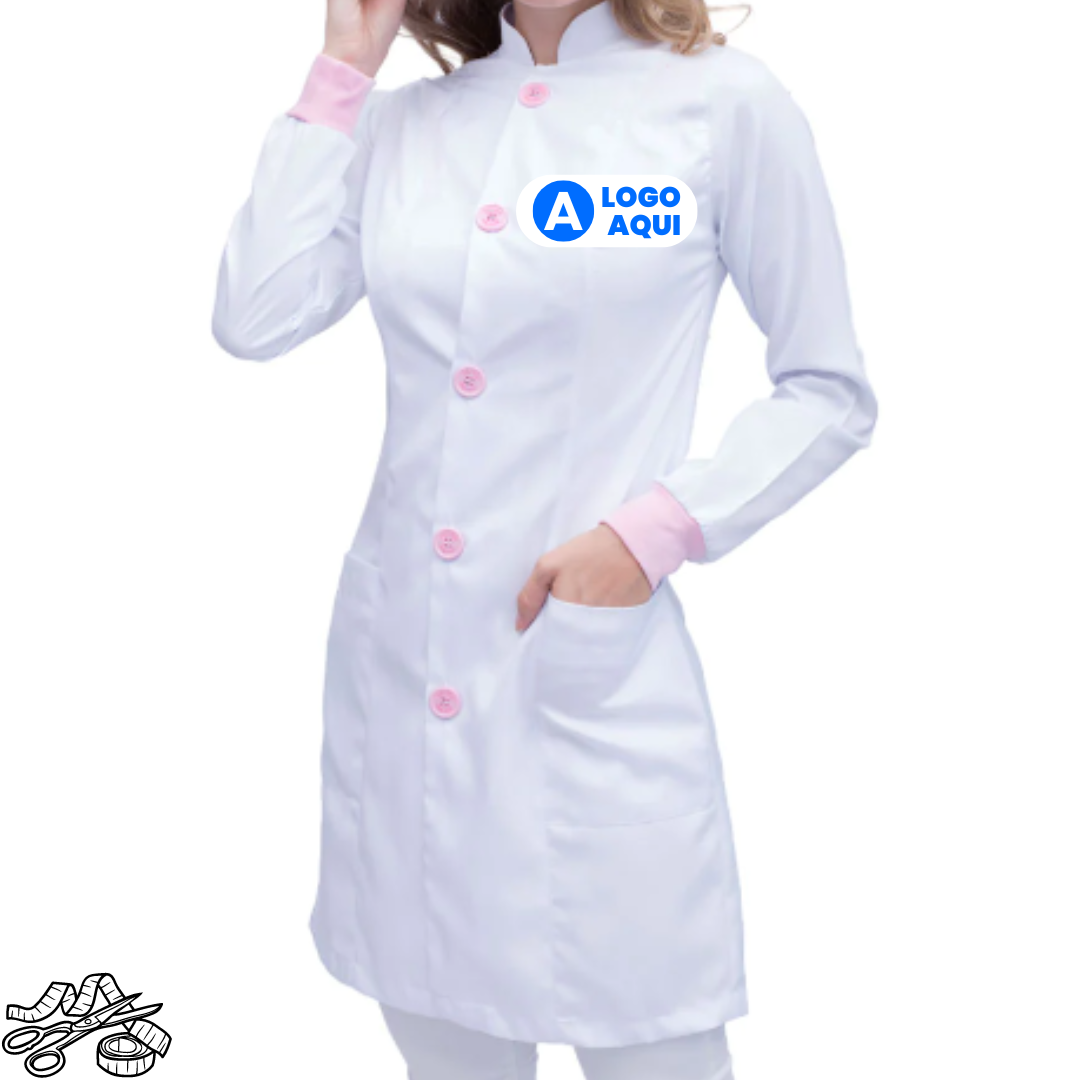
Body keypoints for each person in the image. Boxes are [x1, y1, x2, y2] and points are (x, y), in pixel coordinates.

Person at [211, 0, 877, 1075]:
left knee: (655, 1041)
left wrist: (654, 533)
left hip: (590, 671)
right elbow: (256, 315)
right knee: (443, 1039)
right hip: (410, 674)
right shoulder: (402, 126)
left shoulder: (724, 107)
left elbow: (828, 390)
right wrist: (344, 70)